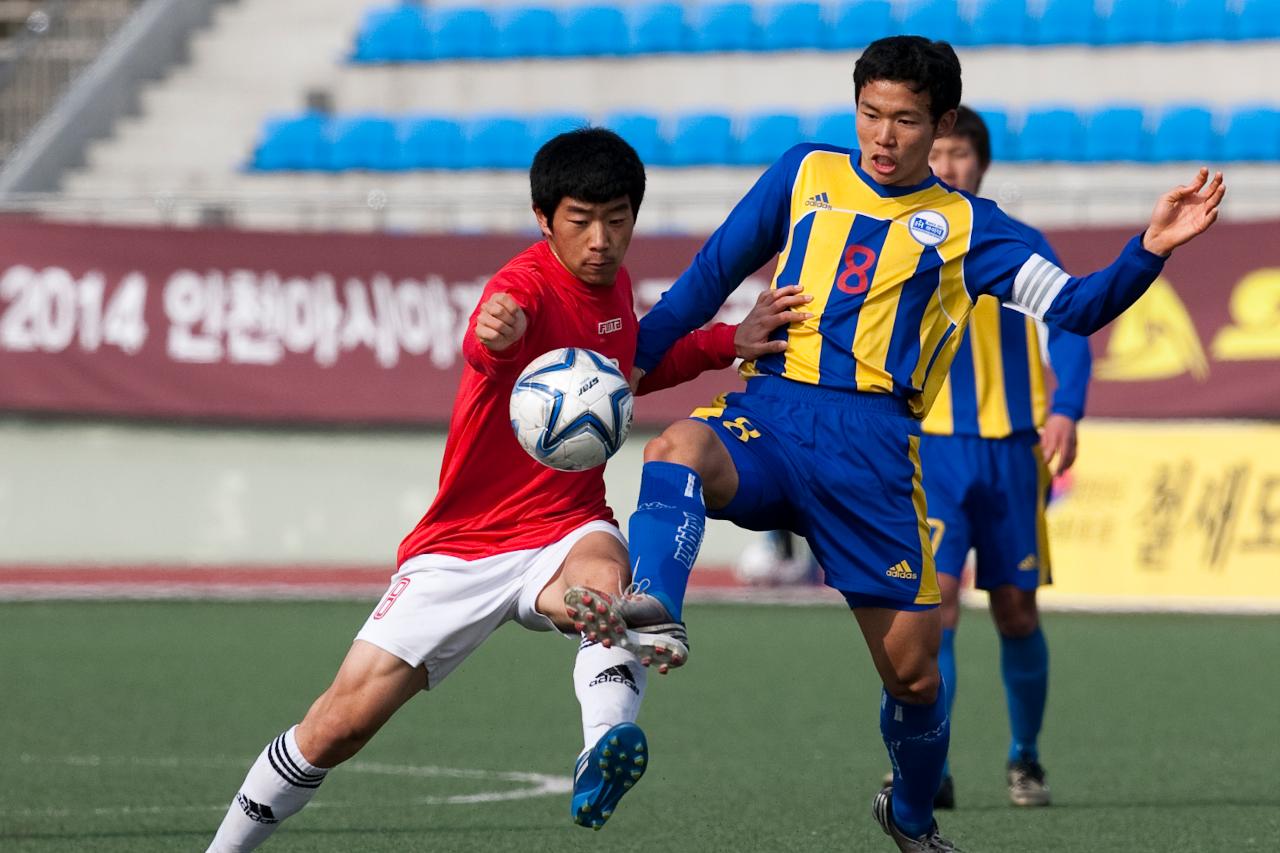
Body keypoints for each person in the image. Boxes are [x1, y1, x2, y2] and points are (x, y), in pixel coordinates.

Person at [572, 36, 1225, 853]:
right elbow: (705, 281)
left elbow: (1080, 309)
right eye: (870, 114)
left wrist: (1152, 246)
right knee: (676, 449)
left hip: (877, 455)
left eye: (905, 120)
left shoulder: (971, 229)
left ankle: (910, 815)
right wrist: (630, 366)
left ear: (941, 121)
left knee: (916, 675)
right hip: (776, 412)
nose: (882, 136)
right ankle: (657, 606)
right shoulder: (802, 173)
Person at [206, 127, 806, 852]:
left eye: (617, 220)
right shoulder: (520, 288)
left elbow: (634, 364)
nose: (601, 239)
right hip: (462, 547)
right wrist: (495, 335)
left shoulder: (612, 285)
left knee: (609, 586)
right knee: (338, 725)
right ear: (543, 217)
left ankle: (603, 745)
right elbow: (489, 341)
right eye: (581, 221)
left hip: (567, 522)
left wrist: (725, 343)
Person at [909, 105, 1092, 809]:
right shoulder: (907, 241)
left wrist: (1068, 407)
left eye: (960, 154)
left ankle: (1025, 758)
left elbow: (1070, 325)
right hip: (933, 452)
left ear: (980, 164)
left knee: (1016, 610)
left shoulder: (1019, 241)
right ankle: (933, 764)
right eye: (941, 153)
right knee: (937, 608)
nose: (949, 165)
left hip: (1015, 450)